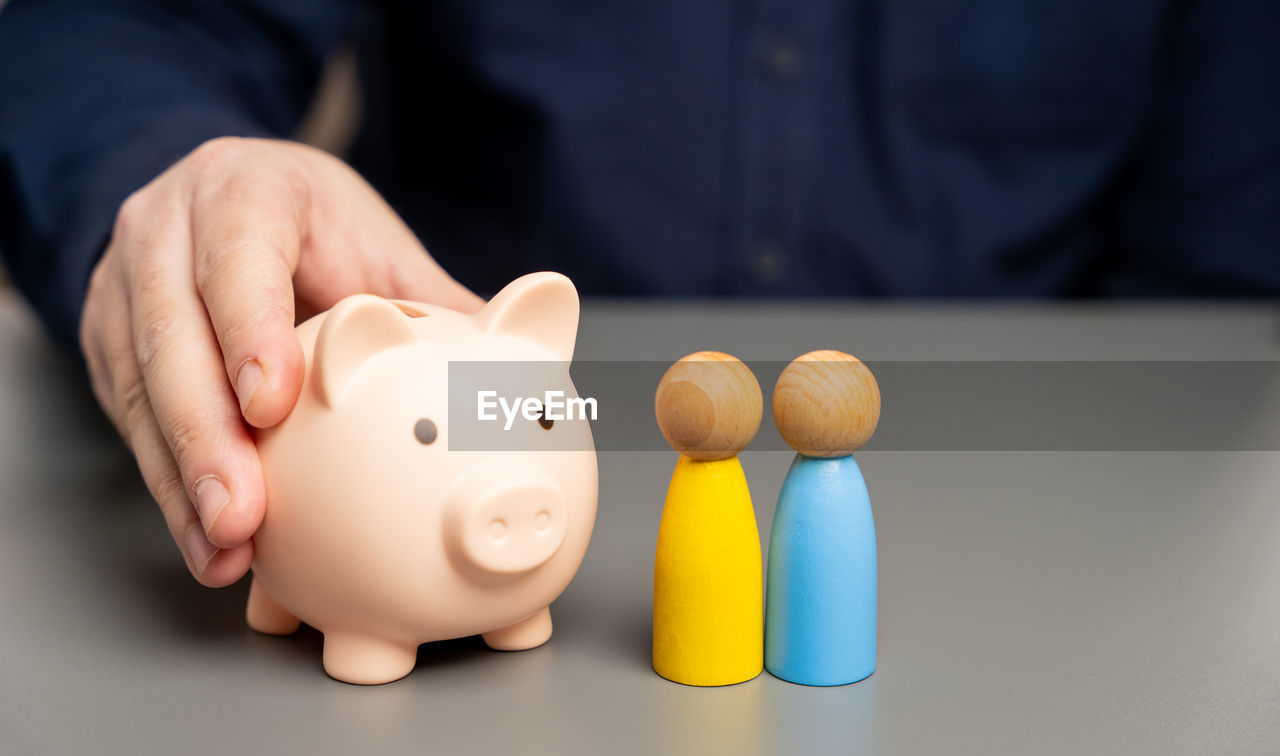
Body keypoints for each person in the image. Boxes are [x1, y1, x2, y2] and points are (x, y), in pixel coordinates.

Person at [0, 1, 1277, 588]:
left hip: (1054, 524)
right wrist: (165, 177)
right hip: (443, 391)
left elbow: (1210, 289)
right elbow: (112, 32)